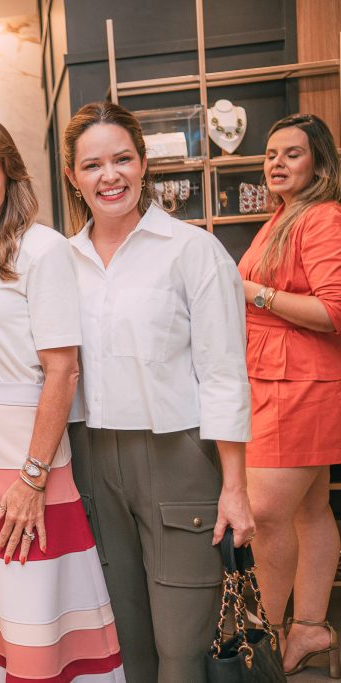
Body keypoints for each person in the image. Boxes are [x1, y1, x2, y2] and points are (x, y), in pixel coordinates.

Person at [0, 113, 123, 681]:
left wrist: (33, 478)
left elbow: (62, 372)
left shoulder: (42, 249)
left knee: (33, 610)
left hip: (23, 458)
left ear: (10, 175)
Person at [62, 101, 256, 682]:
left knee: (182, 644)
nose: (109, 175)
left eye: (122, 159)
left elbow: (223, 374)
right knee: (124, 640)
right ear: (73, 177)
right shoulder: (59, 261)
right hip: (91, 460)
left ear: (144, 163)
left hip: (180, 459)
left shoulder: (192, 251)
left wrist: (236, 488)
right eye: (92, 164)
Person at [238, 113, 341, 677]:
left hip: (298, 383)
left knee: (266, 511)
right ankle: (311, 630)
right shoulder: (284, 217)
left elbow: (333, 311)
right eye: (271, 153)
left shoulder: (322, 218)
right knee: (310, 508)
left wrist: (254, 294)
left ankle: (265, 638)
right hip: (284, 380)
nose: (276, 162)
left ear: (319, 163)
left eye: (292, 154)